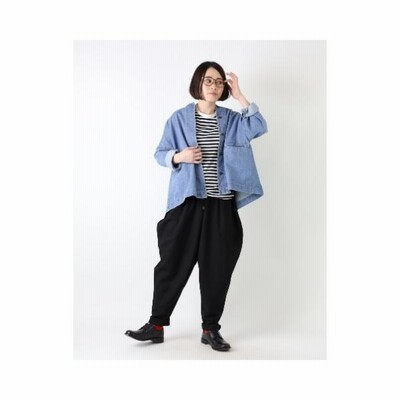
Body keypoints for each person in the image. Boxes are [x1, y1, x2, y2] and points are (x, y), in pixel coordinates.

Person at [125, 61, 267, 351]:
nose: (213, 86)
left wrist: (240, 95)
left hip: (221, 205)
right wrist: (179, 157)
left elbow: (258, 126)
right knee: (172, 263)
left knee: (218, 268)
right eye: (208, 80)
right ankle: (156, 325)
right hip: (188, 203)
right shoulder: (178, 119)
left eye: (219, 81)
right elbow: (160, 153)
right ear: (198, 84)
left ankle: (210, 329)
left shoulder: (232, 119)